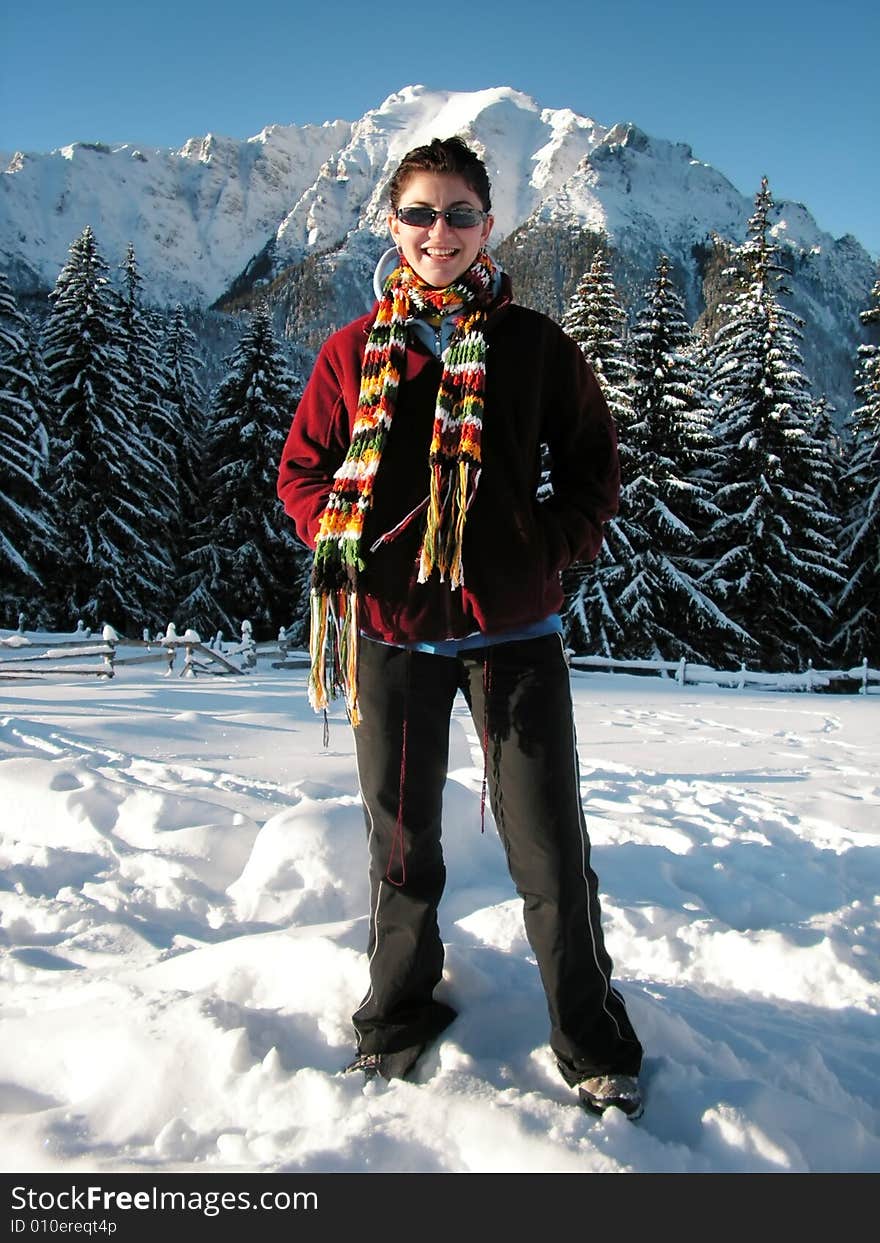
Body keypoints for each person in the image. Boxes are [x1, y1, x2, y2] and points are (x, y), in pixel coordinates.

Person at [276, 136, 644, 1118]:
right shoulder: (353, 352)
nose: (438, 232)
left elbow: (594, 464)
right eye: (418, 214)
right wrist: (339, 537)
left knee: (548, 849)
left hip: (512, 631)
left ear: (489, 226)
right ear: (392, 226)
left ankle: (590, 1037)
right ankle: (396, 1017)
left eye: (458, 214)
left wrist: (546, 543)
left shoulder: (534, 347)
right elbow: (302, 470)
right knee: (400, 845)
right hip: (390, 631)